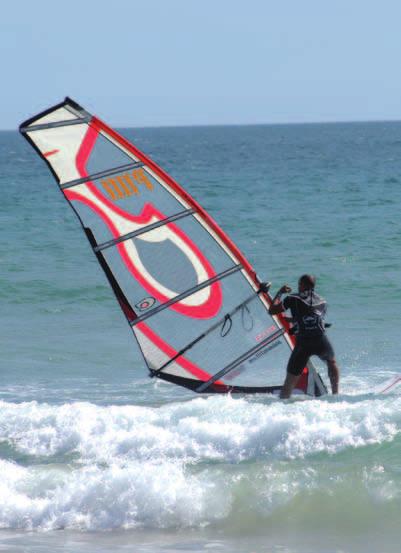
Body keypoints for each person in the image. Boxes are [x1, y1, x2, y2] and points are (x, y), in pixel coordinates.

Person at [268, 274, 340, 399]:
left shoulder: (292, 298)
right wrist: (292, 319)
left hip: (303, 344)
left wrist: (279, 293)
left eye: (299, 284)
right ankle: (336, 395)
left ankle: (282, 404)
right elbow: (311, 317)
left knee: (290, 380)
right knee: (331, 361)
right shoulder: (323, 301)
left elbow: (272, 310)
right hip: (320, 340)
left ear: (302, 284)